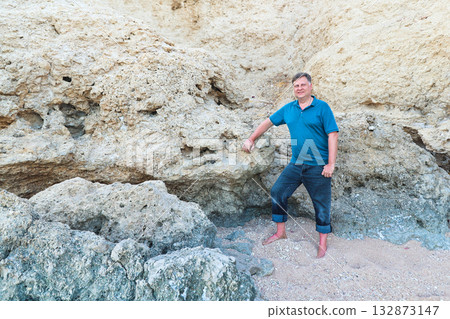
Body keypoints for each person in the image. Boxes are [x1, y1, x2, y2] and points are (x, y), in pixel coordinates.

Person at [242, 72, 339, 258]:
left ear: (310, 87)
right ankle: (280, 232)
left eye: (303, 85)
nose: (300, 88)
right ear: (293, 89)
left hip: (319, 165)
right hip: (296, 163)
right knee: (278, 191)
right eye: (296, 86)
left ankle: (322, 244)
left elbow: (332, 135)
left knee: (321, 204)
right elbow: (268, 122)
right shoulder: (289, 109)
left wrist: (330, 164)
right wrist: (251, 138)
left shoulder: (322, 108)